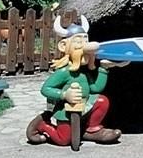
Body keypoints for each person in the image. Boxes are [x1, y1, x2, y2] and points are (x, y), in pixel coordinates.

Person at [26, 16, 123, 146]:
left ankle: (91, 130)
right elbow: (45, 89)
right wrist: (64, 95)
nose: (85, 46)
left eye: (86, 41)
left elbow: (95, 88)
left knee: (102, 100)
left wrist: (103, 69)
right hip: (66, 110)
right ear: (64, 46)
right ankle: (42, 124)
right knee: (64, 140)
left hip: (84, 105)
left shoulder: (83, 71)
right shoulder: (64, 72)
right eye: (78, 42)